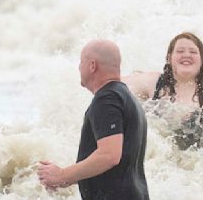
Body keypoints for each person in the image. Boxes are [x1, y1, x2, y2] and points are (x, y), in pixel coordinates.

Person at [37, 40, 149, 200]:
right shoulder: (127, 98)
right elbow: (117, 165)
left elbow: (109, 155)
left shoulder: (107, 98)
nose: (78, 68)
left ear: (92, 66)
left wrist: (61, 175)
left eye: (81, 62)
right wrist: (67, 178)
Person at [123, 32, 203, 160]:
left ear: (202, 60)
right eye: (180, 51)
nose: (186, 55)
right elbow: (113, 86)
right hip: (168, 166)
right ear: (169, 58)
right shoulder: (153, 83)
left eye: (193, 52)